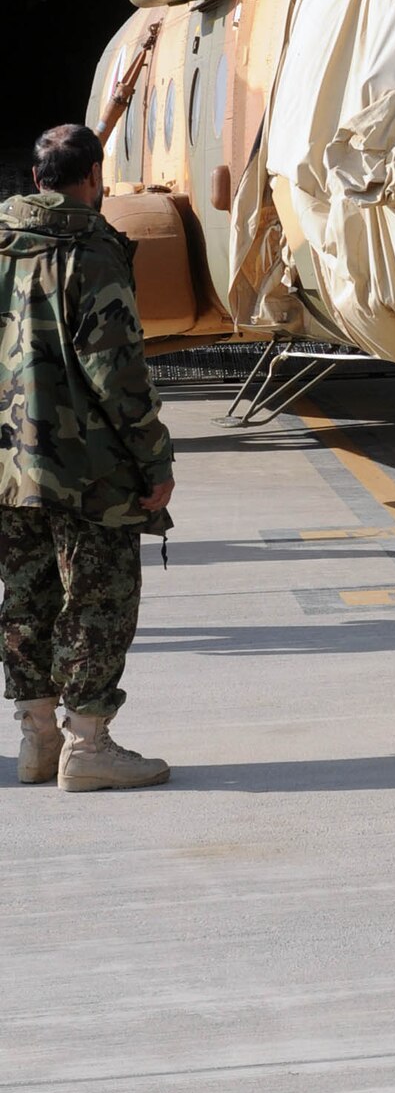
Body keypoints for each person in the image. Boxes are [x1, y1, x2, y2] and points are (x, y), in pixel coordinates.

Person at [0, 123, 173, 790]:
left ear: (36, 176)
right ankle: (89, 747)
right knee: (98, 598)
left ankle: (36, 741)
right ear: (92, 177)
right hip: (87, 469)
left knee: (24, 596)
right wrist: (154, 463)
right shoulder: (91, 248)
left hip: (10, 466)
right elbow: (117, 371)